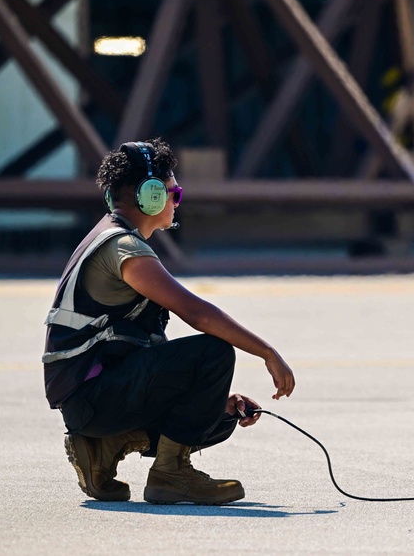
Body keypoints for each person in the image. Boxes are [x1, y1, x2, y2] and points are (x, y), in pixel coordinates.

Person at [42, 138, 295, 504]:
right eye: (174, 194)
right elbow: (198, 313)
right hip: (92, 398)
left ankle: (101, 449)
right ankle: (170, 475)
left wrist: (213, 402)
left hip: (91, 399)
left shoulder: (110, 236)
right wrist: (267, 352)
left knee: (218, 418)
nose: (176, 201)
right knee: (214, 353)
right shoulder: (123, 249)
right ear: (151, 196)